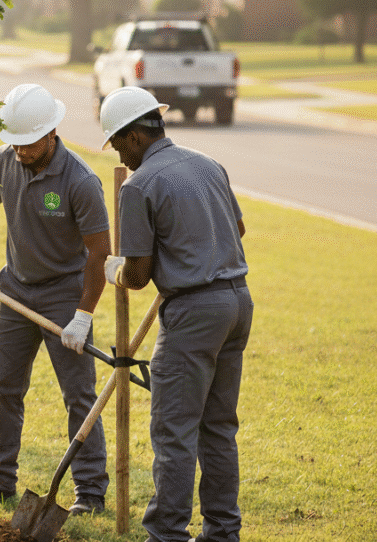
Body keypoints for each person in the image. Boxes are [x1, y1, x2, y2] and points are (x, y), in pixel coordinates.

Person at [99, 86, 254, 542]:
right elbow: (238, 228)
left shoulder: (139, 185)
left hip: (193, 314)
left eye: (118, 144)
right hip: (237, 302)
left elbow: (139, 274)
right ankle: (223, 532)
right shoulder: (208, 164)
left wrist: (114, 269)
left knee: (174, 432)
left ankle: (167, 534)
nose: (120, 156)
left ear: (132, 136)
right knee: (219, 428)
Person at [0, 83, 111, 515]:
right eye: (15, 143)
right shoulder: (2, 160)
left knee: (79, 396)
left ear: (51, 133)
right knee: (4, 390)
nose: (20, 151)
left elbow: (99, 253)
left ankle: (91, 493)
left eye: (28, 143)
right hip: (15, 292)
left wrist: (83, 315)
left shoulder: (80, 181)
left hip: (65, 295)